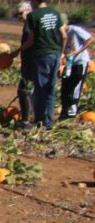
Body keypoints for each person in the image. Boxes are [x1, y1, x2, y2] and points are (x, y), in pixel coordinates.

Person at [16, 0, 67, 129]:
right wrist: (61, 53)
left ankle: (38, 121)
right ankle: (48, 123)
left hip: (41, 55)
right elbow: (64, 36)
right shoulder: (55, 13)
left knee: (40, 90)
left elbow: (30, 40)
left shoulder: (33, 16)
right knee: (51, 89)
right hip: (55, 54)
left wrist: (16, 52)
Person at [60, 19, 91, 119]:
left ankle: (71, 112)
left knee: (75, 87)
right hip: (68, 63)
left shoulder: (75, 30)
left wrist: (77, 52)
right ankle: (64, 112)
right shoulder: (60, 33)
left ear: (66, 23)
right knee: (65, 86)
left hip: (80, 62)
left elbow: (90, 39)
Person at [13, 2, 35, 126]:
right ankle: (30, 116)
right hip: (30, 61)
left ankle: (26, 119)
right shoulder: (33, 22)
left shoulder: (30, 23)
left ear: (28, 10)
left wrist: (16, 52)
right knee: (29, 90)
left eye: (21, 13)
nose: (19, 17)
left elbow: (30, 41)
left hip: (31, 61)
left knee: (24, 90)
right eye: (17, 15)